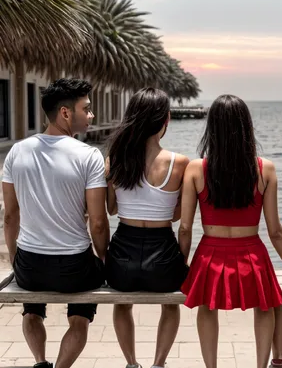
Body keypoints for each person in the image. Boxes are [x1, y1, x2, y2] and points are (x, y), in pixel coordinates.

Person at [178, 94, 282, 368]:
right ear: (247, 127)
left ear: (212, 128)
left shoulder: (197, 168)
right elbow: (275, 230)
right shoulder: (264, 168)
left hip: (210, 254)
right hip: (252, 255)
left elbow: (185, 228)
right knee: (265, 306)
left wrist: (182, 265)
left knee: (207, 309)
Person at [2, 78, 108, 368]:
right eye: (86, 109)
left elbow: (10, 216)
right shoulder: (89, 156)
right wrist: (104, 259)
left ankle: (40, 362)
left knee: (32, 312)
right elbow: (98, 222)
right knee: (79, 318)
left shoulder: (16, 152)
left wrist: (16, 259)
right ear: (65, 113)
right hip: (75, 268)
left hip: (30, 266)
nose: (91, 115)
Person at [105, 88, 190, 368]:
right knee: (171, 304)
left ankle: (131, 363)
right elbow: (180, 220)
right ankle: (159, 364)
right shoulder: (180, 163)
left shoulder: (115, 160)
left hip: (121, 260)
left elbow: (111, 209)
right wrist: (182, 262)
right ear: (166, 119)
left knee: (121, 302)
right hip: (163, 258)